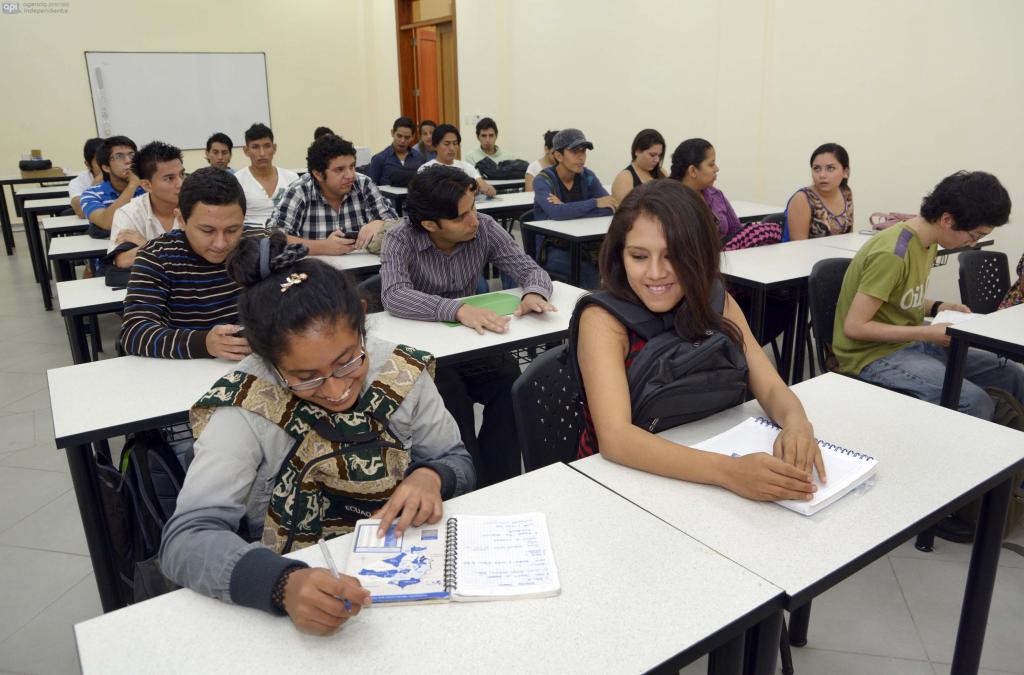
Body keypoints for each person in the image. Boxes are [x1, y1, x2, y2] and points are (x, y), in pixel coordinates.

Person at [160, 231, 474, 632]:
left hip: (400, 569)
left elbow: (456, 459)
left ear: (362, 322)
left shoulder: (400, 371)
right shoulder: (245, 405)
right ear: (267, 361)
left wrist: (433, 476)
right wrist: (280, 583)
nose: (337, 389)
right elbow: (186, 537)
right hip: (298, 577)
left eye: (348, 362)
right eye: (305, 378)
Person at [576, 179, 825, 502]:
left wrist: (796, 423)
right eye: (639, 257)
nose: (655, 273)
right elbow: (616, 439)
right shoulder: (602, 321)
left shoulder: (717, 301)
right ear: (619, 255)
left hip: (698, 466)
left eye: (673, 257)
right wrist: (729, 473)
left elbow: (771, 386)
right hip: (615, 484)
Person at [380, 165, 555, 487]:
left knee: (513, 388)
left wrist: (533, 292)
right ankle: (466, 485)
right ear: (430, 224)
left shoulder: (484, 227)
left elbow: (530, 269)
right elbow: (393, 294)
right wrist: (457, 309)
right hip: (428, 355)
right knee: (451, 403)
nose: (474, 219)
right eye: (461, 216)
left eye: (473, 207)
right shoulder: (399, 237)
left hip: (473, 343)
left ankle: (500, 484)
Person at [833, 170, 1024, 422]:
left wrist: (938, 306)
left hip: (911, 343)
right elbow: (855, 327)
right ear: (947, 219)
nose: (971, 243)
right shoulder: (893, 253)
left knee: (1013, 375)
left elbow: (897, 299)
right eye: (975, 235)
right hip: (871, 355)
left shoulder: (928, 242)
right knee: (973, 402)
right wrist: (926, 332)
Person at [119, 167, 252, 361]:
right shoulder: (157, 256)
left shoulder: (258, 245)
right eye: (207, 230)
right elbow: (133, 333)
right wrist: (204, 343)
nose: (221, 243)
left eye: (232, 229)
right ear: (181, 219)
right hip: (184, 371)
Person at [272, 134, 398, 256]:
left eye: (352, 166)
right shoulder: (299, 191)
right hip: (316, 272)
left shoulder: (363, 184)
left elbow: (395, 222)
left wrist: (379, 223)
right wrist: (324, 247)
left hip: (365, 270)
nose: (350, 175)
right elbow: (275, 239)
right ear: (318, 174)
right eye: (339, 169)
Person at [531, 128, 617, 288]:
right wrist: (593, 203)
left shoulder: (587, 176)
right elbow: (556, 213)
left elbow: (609, 207)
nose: (581, 157)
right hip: (550, 247)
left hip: (584, 245)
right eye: (574, 151)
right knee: (588, 271)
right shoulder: (543, 180)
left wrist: (567, 209)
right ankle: (588, 309)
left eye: (583, 151)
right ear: (558, 155)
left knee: (617, 261)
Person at [107, 141, 185, 268]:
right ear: (147, 185)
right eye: (169, 178)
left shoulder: (198, 206)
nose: (180, 183)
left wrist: (146, 245)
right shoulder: (129, 213)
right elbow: (122, 260)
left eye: (181, 174)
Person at [783, 142, 854, 241]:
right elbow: (798, 248)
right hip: (805, 255)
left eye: (830, 168)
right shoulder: (802, 198)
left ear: (845, 172)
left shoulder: (846, 193)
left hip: (838, 254)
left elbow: (848, 238)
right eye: (817, 168)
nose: (822, 175)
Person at [80, 136, 145, 238]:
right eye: (119, 157)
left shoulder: (148, 189)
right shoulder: (90, 195)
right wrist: (132, 185)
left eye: (132, 155)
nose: (128, 161)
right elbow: (107, 223)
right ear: (106, 167)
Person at [235, 123, 299, 225]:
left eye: (267, 146)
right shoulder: (237, 180)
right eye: (255, 147)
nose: (262, 153)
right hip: (250, 237)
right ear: (246, 151)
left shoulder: (291, 178)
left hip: (287, 235)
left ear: (274, 148)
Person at [418, 123, 496, 197]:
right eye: (447, 144)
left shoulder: (466, 167)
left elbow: (481, 183)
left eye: (455, 143)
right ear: (435, 145)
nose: (452, 148)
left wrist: (488, 189)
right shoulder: (425, 169)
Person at [610, 129, 666, 203]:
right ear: (637, 151)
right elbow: (626, 211)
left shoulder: (662, 172)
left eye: (659, 155)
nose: (657, 160)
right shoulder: (624, 178)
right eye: (652, 155)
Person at [365, 116, 423, 186]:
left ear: (413, 137)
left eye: (407, 137)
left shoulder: (419, 157)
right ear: (392, 133)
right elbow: (371, 188)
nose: (402, 141)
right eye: (399, 136)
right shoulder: (379, 159)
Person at [69, 137, 104, 218]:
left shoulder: (121, 176)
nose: (105, 165)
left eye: (108, 159)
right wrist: (95, 187)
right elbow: (81, 212)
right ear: (88, 164)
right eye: (99, 161)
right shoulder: (77, 183)